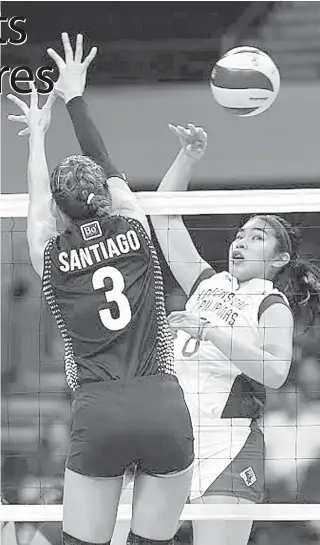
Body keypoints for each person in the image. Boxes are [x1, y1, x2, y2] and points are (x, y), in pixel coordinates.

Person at [7, 33, 194, 545]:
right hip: (163, 404)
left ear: (58, 210)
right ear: (106, 197)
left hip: (99, 410)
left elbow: (34, 197)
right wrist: (74, 97)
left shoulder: (49, 252)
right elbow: (105, 162)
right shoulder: (135, 229)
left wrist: (37, 136)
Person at [151, 123, 320, 545]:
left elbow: (276, 371)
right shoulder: (206, 282)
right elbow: (161, 215)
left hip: (228, 443)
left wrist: (209, 331)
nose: (240, 243)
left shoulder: (271, 303)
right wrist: (188, 157)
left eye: (256, 237)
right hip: (170, 435)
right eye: (240, 234)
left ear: (280, 258)